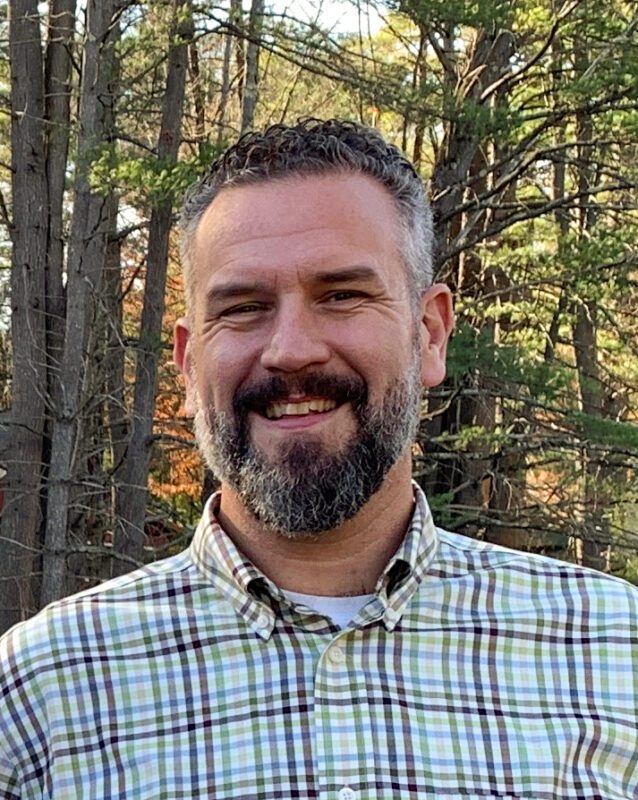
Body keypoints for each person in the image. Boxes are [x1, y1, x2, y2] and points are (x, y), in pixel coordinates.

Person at [1, 119, 636, 799]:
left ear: (430, 334)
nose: (291, 349)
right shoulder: (40, 696)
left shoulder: (611, 653)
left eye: (341, 295)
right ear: (187, 362)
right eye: (243, 308)